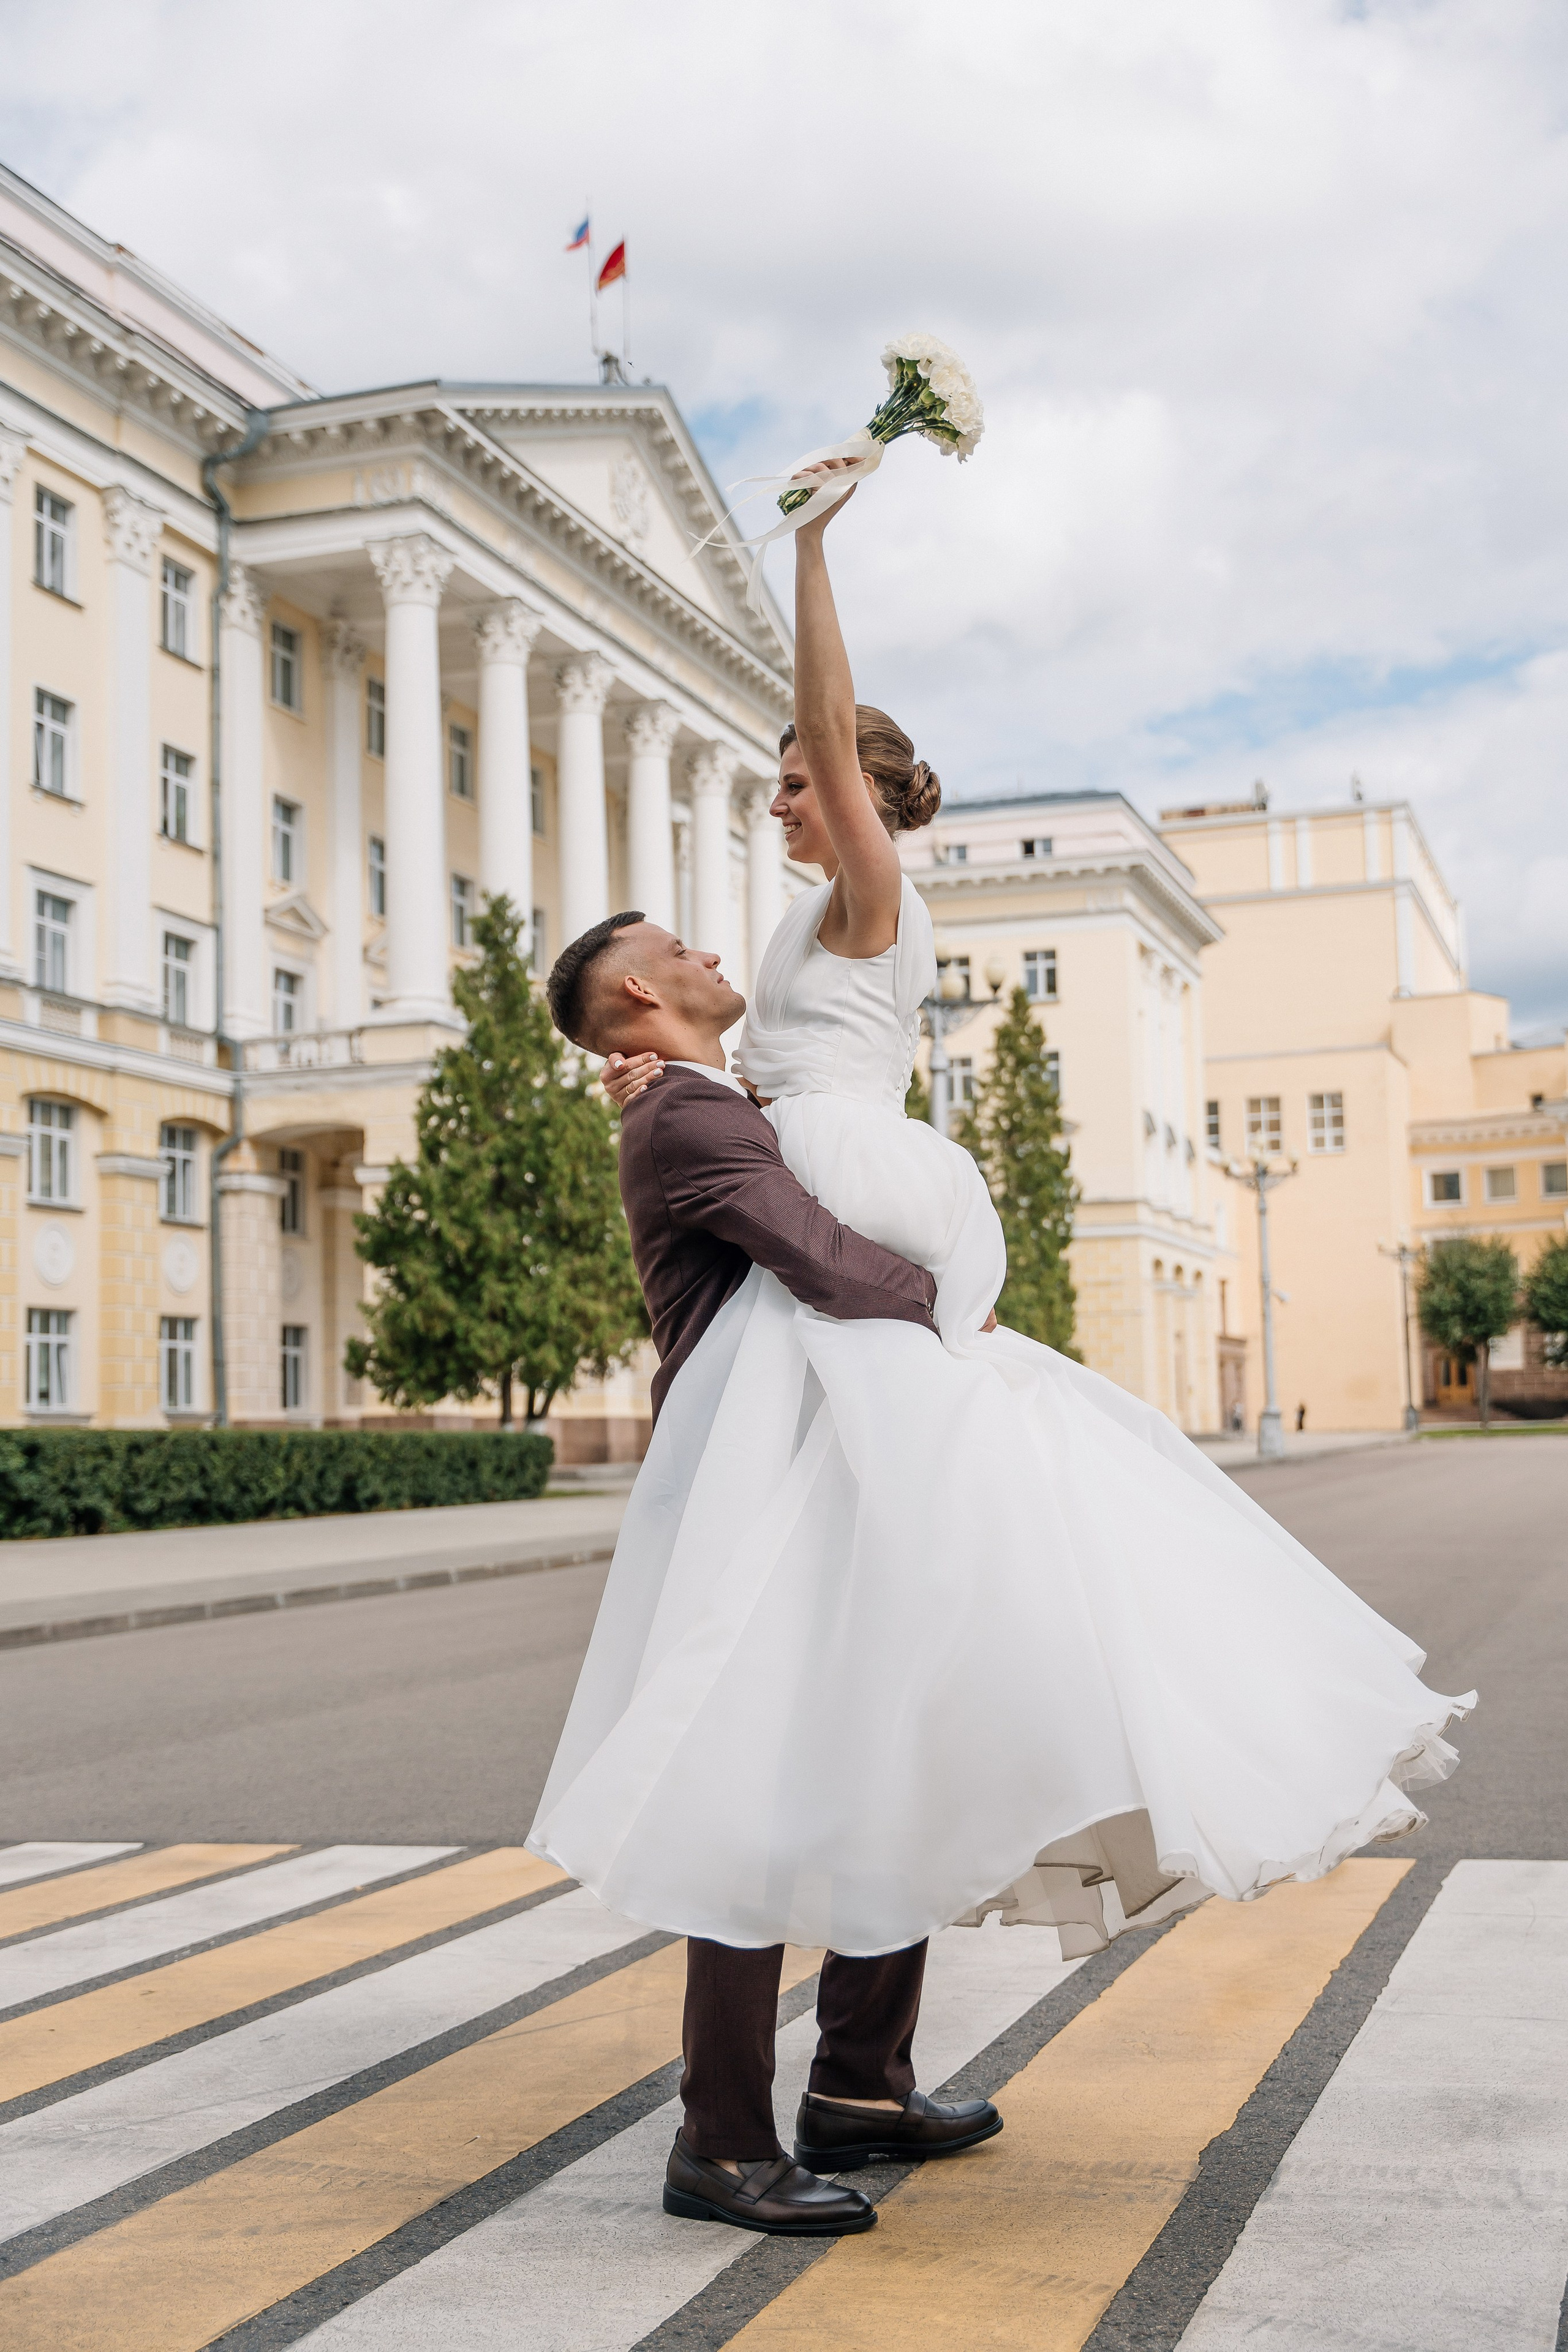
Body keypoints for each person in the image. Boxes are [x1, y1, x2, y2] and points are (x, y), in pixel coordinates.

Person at [531, 459, 1473, 2217]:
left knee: (907, 1695)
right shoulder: (708, 1064)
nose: (774, 804)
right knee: (797, 1718)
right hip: (811, 1375)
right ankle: (745, 2125)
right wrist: (697, 1099)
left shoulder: (856, 903)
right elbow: (783, 1222)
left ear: (864, 791)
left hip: (854, 1358)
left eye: (795, 781)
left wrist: (812, 549)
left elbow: (819, 711)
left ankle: (860, 2087)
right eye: (775, 787)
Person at [536, 914, 1001, 2235]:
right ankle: (719, 2142)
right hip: (751, 1490)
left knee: (879, 1754)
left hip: (813, 1467)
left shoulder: (702, 1101)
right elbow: (818, 1255)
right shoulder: (684, 1121)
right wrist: (957, 1310)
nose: (709, 949)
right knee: (743, 1793)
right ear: (640, 989)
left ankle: (860, 2089)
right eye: (678, 944)